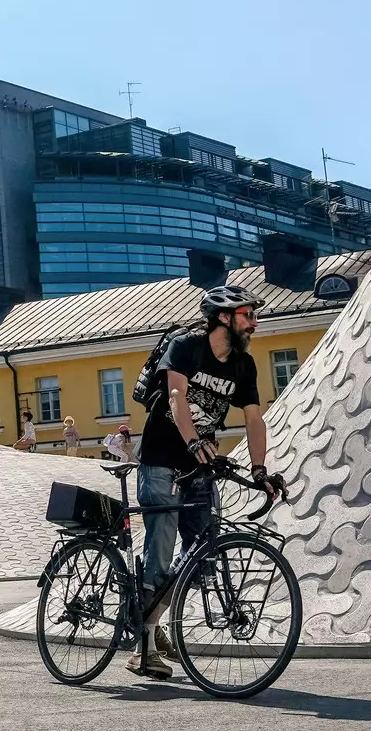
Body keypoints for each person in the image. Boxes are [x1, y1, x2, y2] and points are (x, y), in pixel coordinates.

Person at [126, 284, 283, 679]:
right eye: (248, 315)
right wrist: (193, 439)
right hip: (162, 461)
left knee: (203, 557)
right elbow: (177, 397)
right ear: (224, 318)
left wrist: (260, 470)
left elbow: (254, 418)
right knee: (160, 552)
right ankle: (142, 647)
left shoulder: (243, 366)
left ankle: (150, 618)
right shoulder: (186, 345)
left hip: (200, 468)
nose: (254, 323)